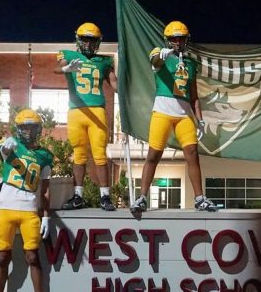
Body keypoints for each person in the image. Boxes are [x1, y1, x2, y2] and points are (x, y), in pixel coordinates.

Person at [130, 20, 217, 215]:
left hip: (184, 113)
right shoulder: (159, 53)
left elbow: (194, 96)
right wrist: (161, 56)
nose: (177, 42)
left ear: (186, 40)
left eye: (181, 38)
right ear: (167, 40)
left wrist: (200, 120)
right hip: (162, 110)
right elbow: (155, 61)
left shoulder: (190, 63)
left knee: (193, 154)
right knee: (153, 155)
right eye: (174, 38)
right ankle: (143, 197)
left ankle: (199, 198)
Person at [0, 109, 54, 292]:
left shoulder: (45, 155)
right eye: (24, 127)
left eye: (31, 126)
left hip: (29, 208)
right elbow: (3, 149)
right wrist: (6, 146)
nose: (28, 131)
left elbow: (46, 188)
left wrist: (46, 215)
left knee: (33, 256)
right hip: (6, 208)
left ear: (38, 128)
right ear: (18, 128)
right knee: (2, 256)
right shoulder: (11, 145)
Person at [55, 22, 118, 211]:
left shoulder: (105, 61)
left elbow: (115, 85)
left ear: (98, 42)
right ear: (78, 40)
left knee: (100, 155)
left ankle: (105, 197)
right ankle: (78, 196)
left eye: (92, 41)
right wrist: (66, 69)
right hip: (76, 111)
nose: (89, 44)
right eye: (85, 39)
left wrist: (127, 91)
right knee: (79, 155)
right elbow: (57, 68)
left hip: (97, 110)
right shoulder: (68, 55)